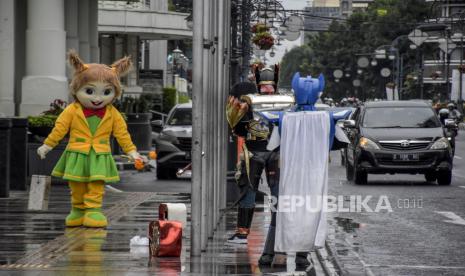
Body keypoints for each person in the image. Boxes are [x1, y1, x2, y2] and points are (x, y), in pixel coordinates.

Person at [36, 50, 146, 227]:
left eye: (106, 92)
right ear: (77, 89)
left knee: (96, 184)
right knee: (77, 185)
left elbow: (122, 134)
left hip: (100, 154)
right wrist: (47, 145)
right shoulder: (72, 110)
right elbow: (60, 129)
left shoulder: (113, 114)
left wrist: (132, 152)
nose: (97, 98)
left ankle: (93, 211)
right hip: (77, 153)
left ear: (114, 92)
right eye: (90, 91)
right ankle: (78, 210)